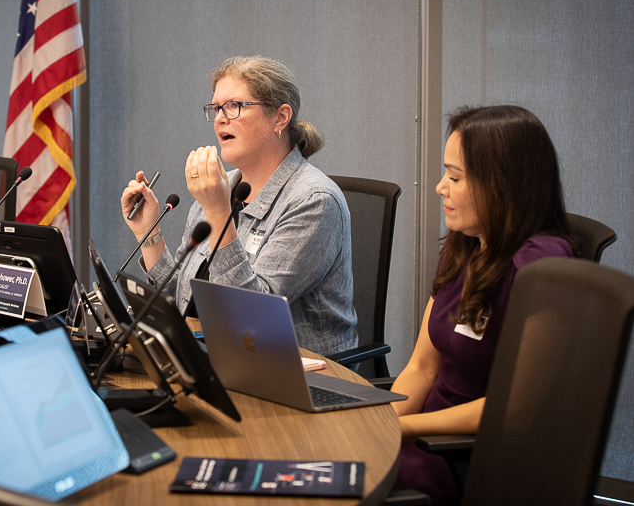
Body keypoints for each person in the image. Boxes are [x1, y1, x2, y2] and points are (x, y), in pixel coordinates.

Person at [391, 105, 574, 504]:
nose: (441, 187)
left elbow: (514, 411)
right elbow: (422, 366)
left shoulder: (542, 268)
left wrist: (401, 430)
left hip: (471, 459)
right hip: (425, 438)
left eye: (455, 177)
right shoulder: (464, 247)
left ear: (503, 184)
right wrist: (383, 425)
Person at [120, 56, 356, 358]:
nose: (220, 118)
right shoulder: (223, 186)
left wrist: (219, 213)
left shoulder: (314, 200)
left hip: (293, 371)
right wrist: (148, 233)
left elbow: (251, 319)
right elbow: (182, 298)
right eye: (216, 108)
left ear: (281, 117)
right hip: (217, 354)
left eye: (235, 106)